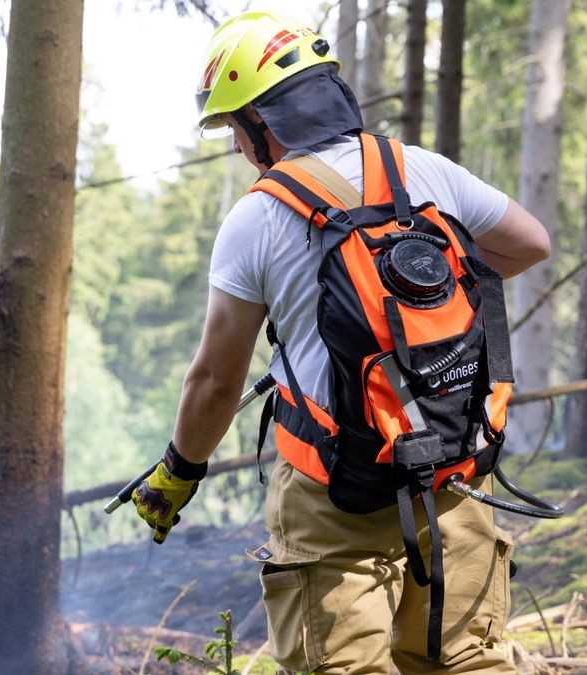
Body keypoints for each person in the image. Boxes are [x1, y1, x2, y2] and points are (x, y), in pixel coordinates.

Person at [129, 11, 550, 674]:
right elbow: (531, 242)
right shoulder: (423, 170)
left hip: (332, 490)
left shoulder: (257, 218)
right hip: (451, 468)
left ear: (261, 124)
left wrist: (177, 473)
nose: (239, 147)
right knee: (468, 661)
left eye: (236, 129)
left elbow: (214, 382)